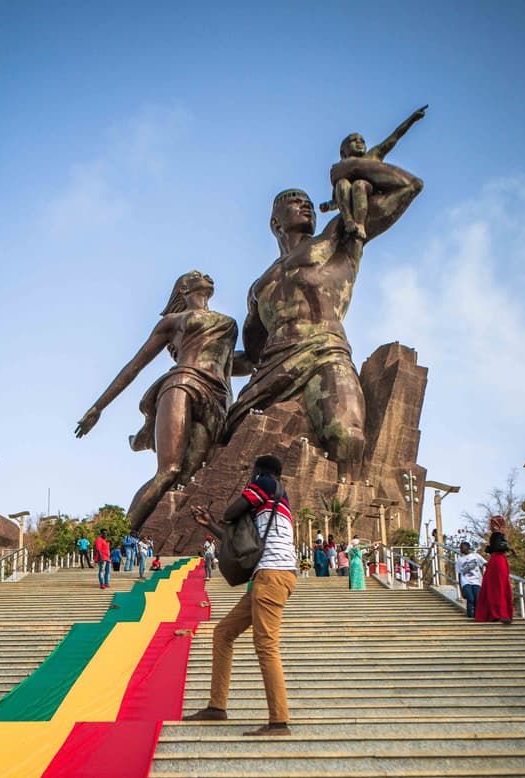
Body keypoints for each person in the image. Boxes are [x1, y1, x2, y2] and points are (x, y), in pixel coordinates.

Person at [226, 164, 423, 476]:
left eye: (307, 201)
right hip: (270, 371)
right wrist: (202, 364)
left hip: (324, 351)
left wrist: (353, 167)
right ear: (275, 221)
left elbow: (408, 186)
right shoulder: (259, 287)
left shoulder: (336, 239)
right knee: (228, 443)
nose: (304, 204)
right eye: (293, 200)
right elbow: (250, 356)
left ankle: (346, 515)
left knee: (347, 436)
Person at [75, 271, 247, 529]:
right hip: (182, 383)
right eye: (196, 275)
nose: (206, 275)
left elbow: (232, 363)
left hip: (216, 396)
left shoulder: (229, 323)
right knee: (169, 471)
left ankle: (170, 535)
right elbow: (135, 365)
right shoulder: (173, 321)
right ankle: (119, 538)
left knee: (193, 473)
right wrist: (98, 407)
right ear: (183, 289)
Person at [185, 453, 297, 737]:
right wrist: (210, 525)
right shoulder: (274, 502)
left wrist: (239, 497)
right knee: (223, 632)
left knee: (266, 645)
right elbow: (241, 542)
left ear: (260, 471)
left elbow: (232, 511)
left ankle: (279, 722)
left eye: (252, 474)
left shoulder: (266, 485)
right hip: (268, 575)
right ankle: (217, 707)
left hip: (272, 575)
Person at [319, 106, 428, 241]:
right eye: (354, 141)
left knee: (359, 184)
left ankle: (360, 223)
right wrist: (329, 206)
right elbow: (338, 198)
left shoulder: (372, 155)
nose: (359, 142)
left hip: (368, 191)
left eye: (362, 141)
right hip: (348, 201)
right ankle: (349, 220)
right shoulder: (340, 169)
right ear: (343, 152)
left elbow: (394, 137)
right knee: (342, 183)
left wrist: (412, 119)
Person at [475, 518, 513, 624]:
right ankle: (501, 613)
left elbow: (497, 548)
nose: (491, 526)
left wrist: (491, 548)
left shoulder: (496, 535)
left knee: (495, 586)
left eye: (493, 524)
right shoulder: (500, 535)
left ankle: (498, 613)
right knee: (499, 585)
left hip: (497, 561)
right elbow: (499, 547)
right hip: (499, 560)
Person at [455, 540, 487, 619]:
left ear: (468, 548)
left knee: (477, 598)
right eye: (460, 548)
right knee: (470, 598)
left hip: (476, 580)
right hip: (465, 581)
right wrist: (460, 587)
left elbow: (485, 563)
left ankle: (477, 614)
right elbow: (459, 573)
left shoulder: (475, 556)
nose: (461, 549)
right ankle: (470, 614)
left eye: (462, 547)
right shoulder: (459, 560)